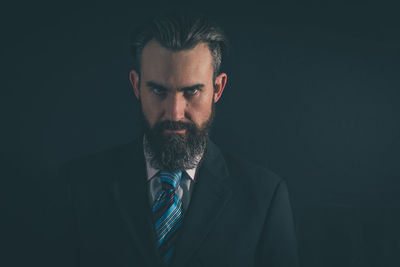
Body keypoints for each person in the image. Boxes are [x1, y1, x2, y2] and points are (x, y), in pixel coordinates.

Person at [51, 14, 299, 267]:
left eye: (191, 91)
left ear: (218, 88)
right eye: (158, 90)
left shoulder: (264, 197)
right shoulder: (78, 186)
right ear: (136, 86)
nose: (174, 113)